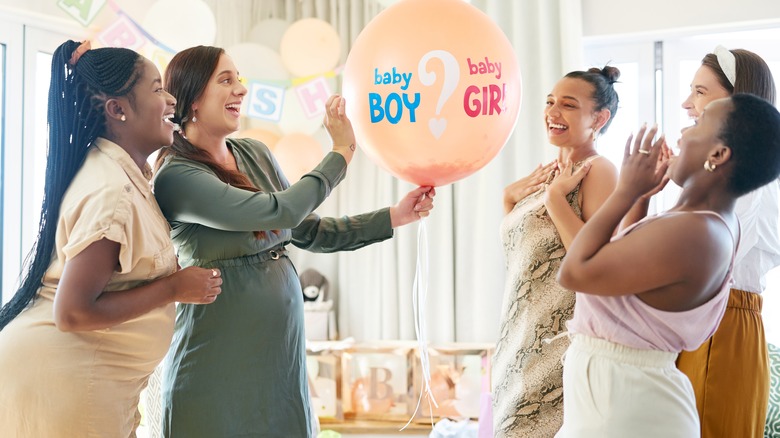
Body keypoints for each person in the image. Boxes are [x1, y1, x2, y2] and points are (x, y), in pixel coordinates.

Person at [151, 45, 435, 437]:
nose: (241, 90)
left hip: (278, 364)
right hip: (215, 367)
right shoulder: (177, 176)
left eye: (240, 79)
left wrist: (393, 216)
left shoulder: (254, 153)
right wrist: (341, 152)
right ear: (193, 98)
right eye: (226, 80)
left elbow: (309, 230)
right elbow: (279, 212)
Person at [0, 40, 221, 437]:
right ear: (117, 109)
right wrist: (173, 287)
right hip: (65, 382)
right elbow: (72, 313)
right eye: (157, 89)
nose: (170, 100)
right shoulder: (111, 192)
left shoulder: (123, 177)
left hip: (83, 382)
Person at [556, 95, 780, 437]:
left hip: (627, 406)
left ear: (718, 155)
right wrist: (640, 199)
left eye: (697, 123)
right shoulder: (702, 221)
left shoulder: (696, 232)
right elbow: (619, 258)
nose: (681, 133)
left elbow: (575, 272)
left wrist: (625, 192)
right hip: (620, 397)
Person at [492, 66, 620, 437]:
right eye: (550, 102)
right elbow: (524, 258)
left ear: (599, 118)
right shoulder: (550, 174)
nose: (552, 112)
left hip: (559, 343)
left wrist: (553, 200)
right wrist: (508, 200)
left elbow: (593, 263)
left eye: (568, 105)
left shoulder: (599, 171)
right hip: (517, 338)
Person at [675, 46, 779, 438]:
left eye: (700, 92)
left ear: (737, 102)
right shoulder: (718, 178)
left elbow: (699, 261)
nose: (687, 104)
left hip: (725, 324)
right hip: (701, 322)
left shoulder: (751, 181)